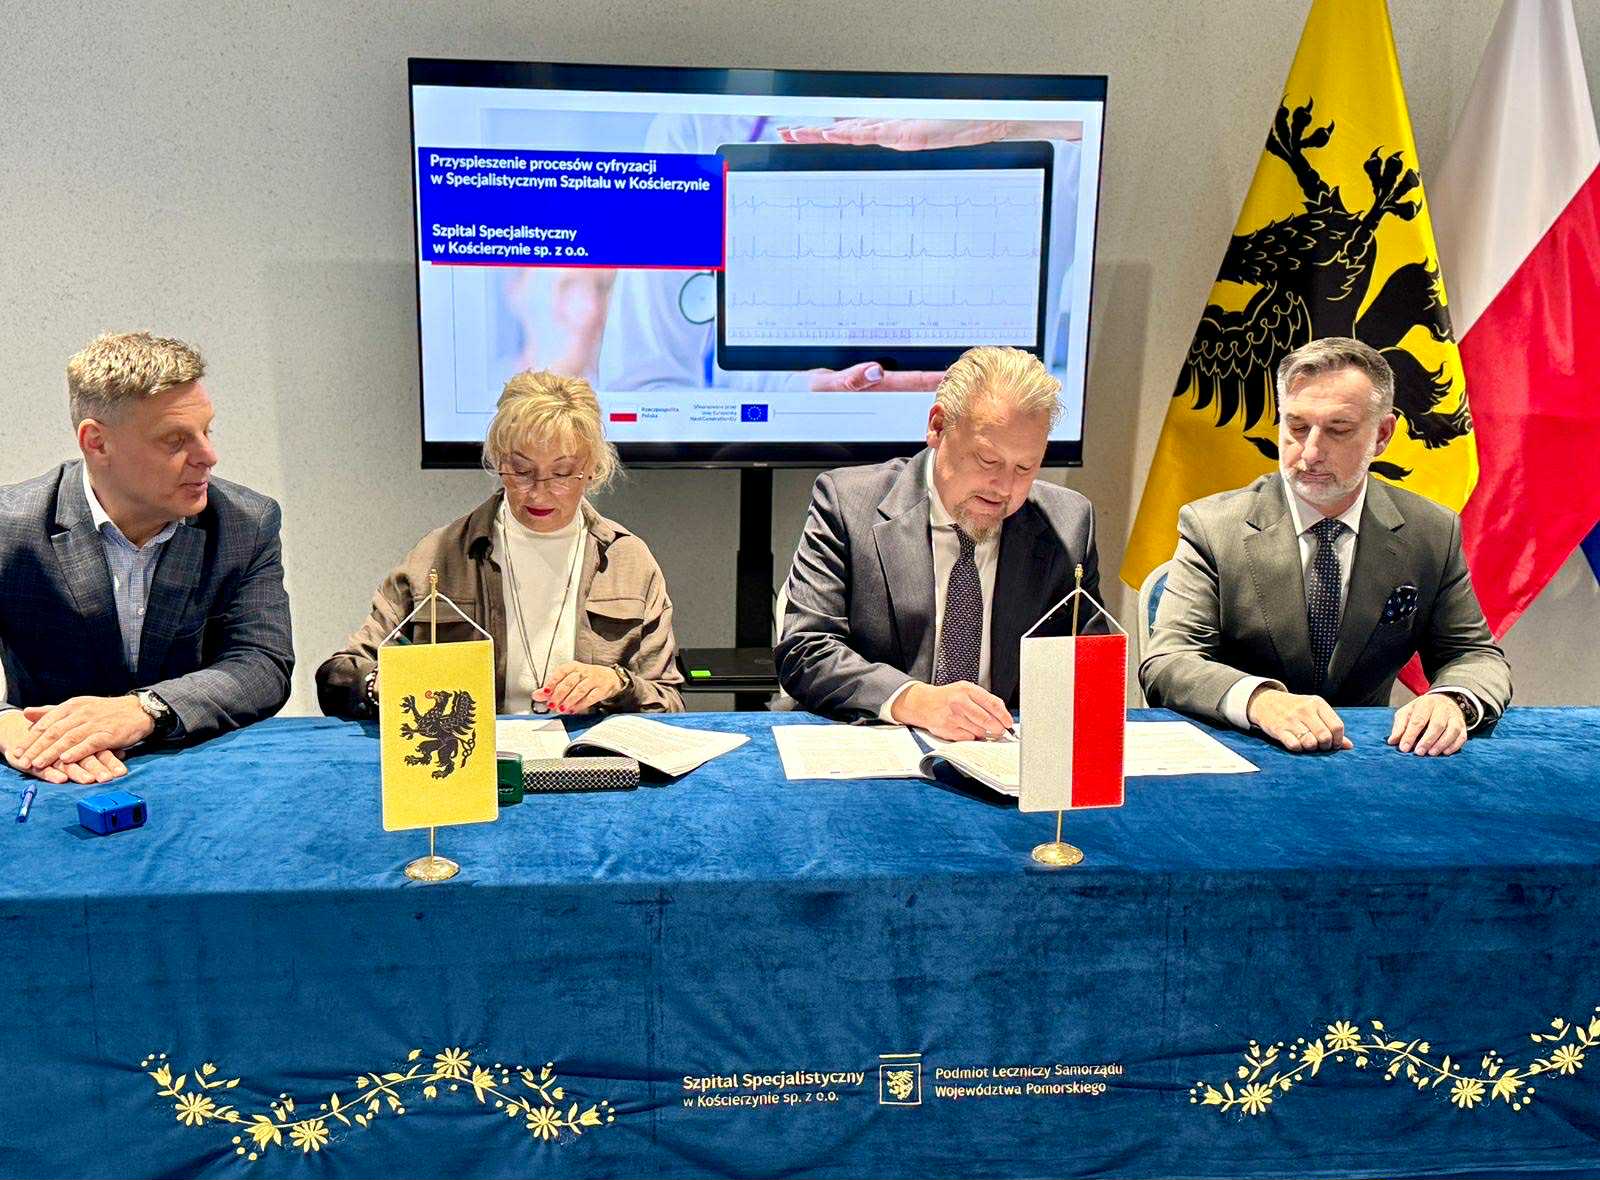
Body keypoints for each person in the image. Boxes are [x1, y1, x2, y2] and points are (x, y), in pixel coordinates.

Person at [1140, 337, 1512, 757]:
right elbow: (1169, 662)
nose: (1311, 452)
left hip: (1369, 755)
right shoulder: (1212, 527)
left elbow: (1473, 655)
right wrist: (1260, 701)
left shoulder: (1430, 532)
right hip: (1244, 751)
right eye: (1297, 427)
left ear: (1382, 435)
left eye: (1338, 430)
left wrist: (1453, 700)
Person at [0, 331, 294, 785]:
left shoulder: (246, 522)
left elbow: (262, 663)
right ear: (97, 442)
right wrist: (7, 725)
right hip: (49, 773)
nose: (209, 456)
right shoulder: (10, 527)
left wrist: (144, 709)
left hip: (196, 770)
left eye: (207, 431)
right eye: (175, 440)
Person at [776, 345, 1103, 740]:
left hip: (1001, 753)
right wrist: (914, 700)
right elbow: (806, 649)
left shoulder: (1068, 525)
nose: (1004, 487)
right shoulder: (848, 504)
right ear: (937, 426)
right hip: (876, 743)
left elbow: (1091, 673)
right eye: (987, 460)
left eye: (1025, 467)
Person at [317, 370, 683, 718]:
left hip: (586, 753)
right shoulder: (438, 557)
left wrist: (619, 685)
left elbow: (669, 703)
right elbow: (338, 677)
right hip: (471, 751)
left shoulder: (627, 562)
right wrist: (378, 684)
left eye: (561, 473)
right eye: (521, 471)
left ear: (592, 470)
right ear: (497, 461)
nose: (539, 492)